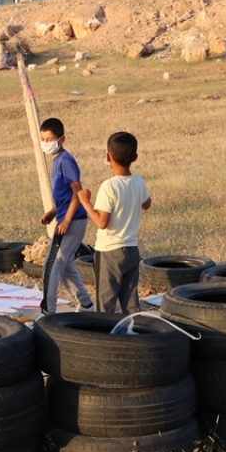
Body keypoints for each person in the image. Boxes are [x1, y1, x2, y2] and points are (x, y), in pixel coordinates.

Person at [77, 131, 152, 315]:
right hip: (132, 248)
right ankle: (133, 333)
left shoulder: (109, 186)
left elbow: (101, 222)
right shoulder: (138, 181)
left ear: (107, 156)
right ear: (135, 157)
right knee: (130, 301)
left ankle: (107, 339)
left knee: (106, 303)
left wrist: (85, 201)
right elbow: (147, 204)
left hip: (109, 251)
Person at [37, 118, 93, 313]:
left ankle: (47, 311)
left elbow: (78, 193)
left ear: (62, 139)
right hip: (66, 217)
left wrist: (67, 219)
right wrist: (53, 212)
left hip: (74, 219)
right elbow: (66, 195)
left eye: (50, 138)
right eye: (43, 138)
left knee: (52, 265)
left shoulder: (66, 162)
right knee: (65, 263)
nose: (46, 143)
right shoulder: (57, 161)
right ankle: (85, 303)